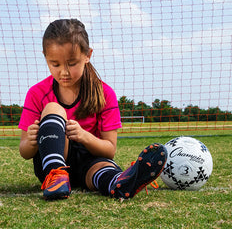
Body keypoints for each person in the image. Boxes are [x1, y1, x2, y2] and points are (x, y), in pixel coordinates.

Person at [18, 18, 167, 200]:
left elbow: (109, 150)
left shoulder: (104, 94)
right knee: (52, 108)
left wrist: (83, 136)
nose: (64, 72)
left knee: (103, 169)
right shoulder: (37, 93)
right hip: (50, 166)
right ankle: (56, 177)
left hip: (90, 161)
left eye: (71, 63)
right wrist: (32, 141)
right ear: (45, 57)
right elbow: (24, 151)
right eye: (55, 64)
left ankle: (119, 183)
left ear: (87, 55)